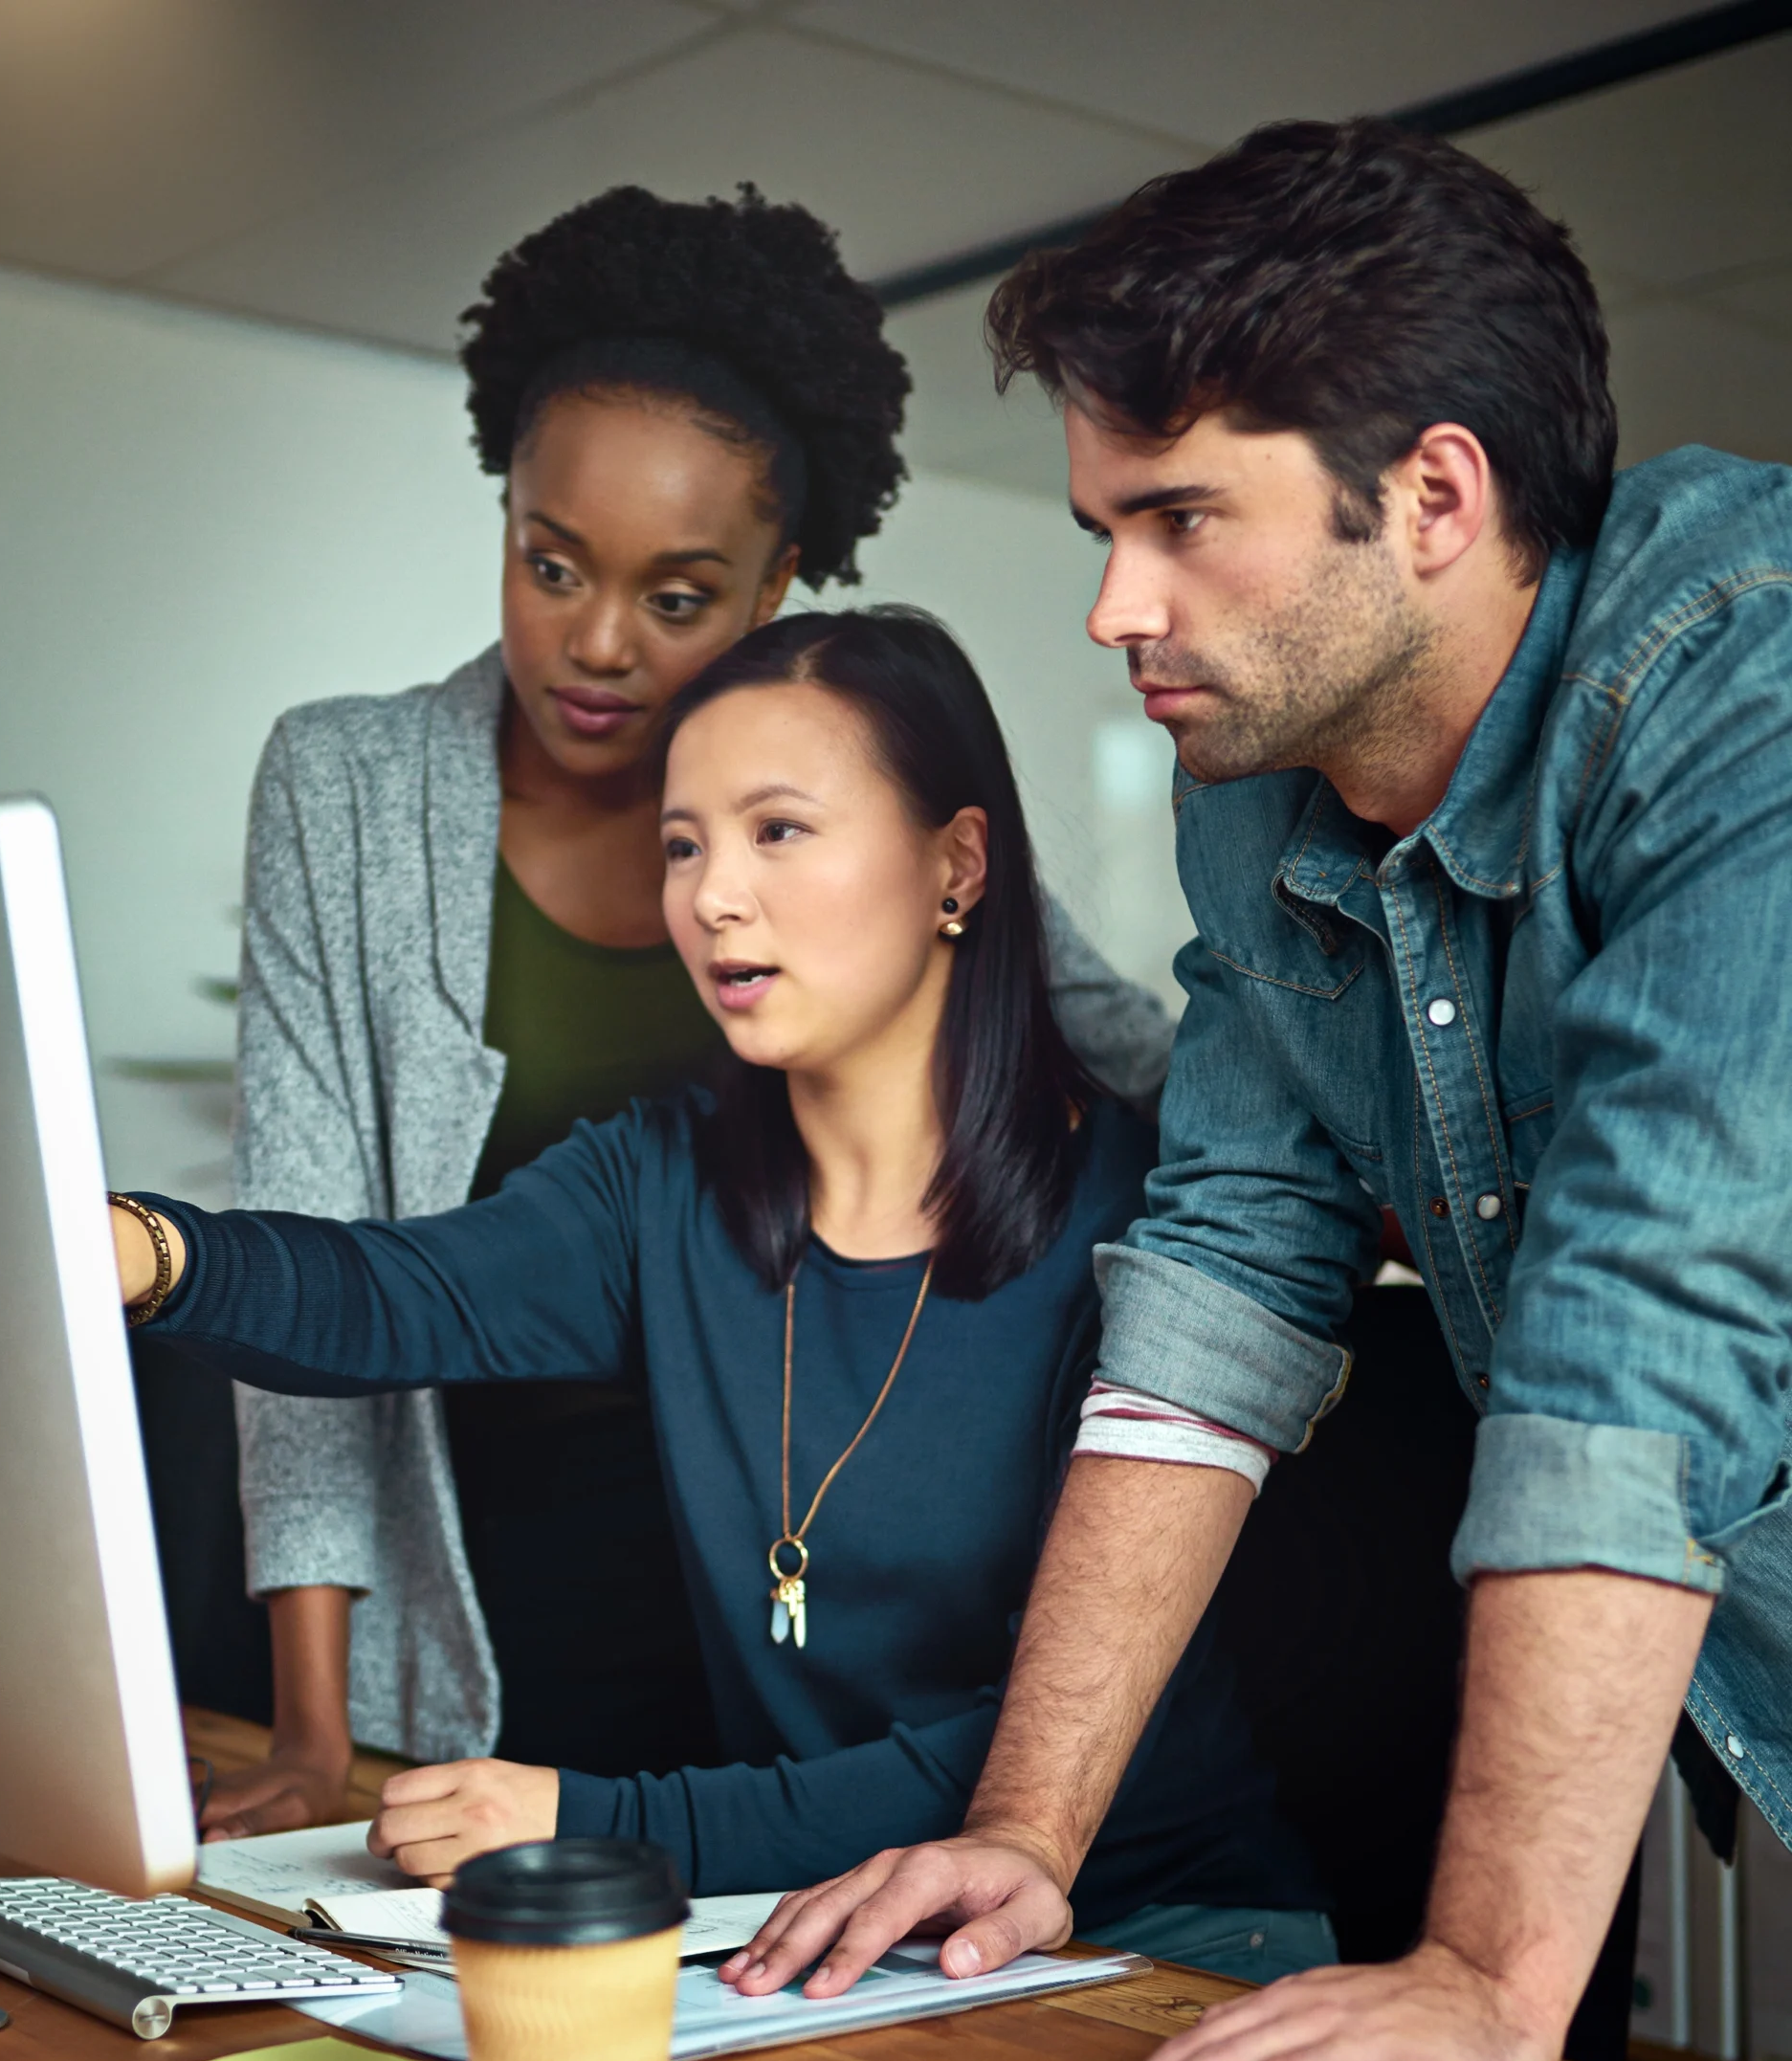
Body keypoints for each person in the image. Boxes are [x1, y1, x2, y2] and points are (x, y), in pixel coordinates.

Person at [732, 120, 1792, 2061]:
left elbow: (1647, 1306)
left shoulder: (1740, 677)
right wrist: (1023, 1837)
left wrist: (1482, 1977)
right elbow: (1218, 1275)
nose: (1114, 603)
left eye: (1178, 519)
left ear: (1430, 496)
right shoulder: (1259, 805)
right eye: (1096, 528)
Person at [116, 609, 1326, 1975]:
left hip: (1156, 1941)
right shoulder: (663, 1181)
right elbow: (395, 1294)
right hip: (828, 1939)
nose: (711, 896)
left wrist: (595, 1821)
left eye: (779, 831)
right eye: (682, 844)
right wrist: (142, 1252)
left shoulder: (1148, 1222)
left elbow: (1024, 1756)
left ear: (958, 864)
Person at [209, 187, 1172, 1838]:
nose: (593, 647)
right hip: (497, 1534)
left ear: (774, 582)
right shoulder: (352, 787)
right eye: (549, 563)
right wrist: (314, 1729)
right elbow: (339, 1271)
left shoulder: (838, 794)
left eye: (675, 598)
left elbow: (1083, 1021)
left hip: (795, 1523)